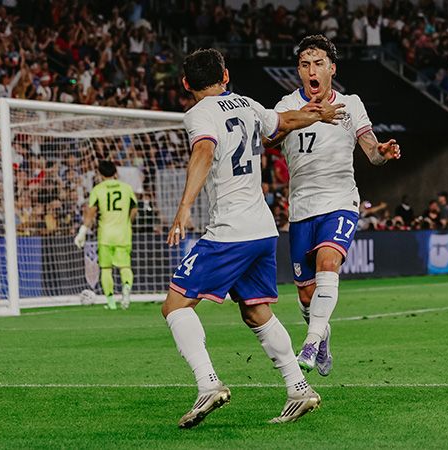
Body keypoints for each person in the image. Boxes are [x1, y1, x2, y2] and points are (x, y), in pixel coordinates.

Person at [162, 48, 345, 429]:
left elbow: (204, 151)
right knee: (256, 311)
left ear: (185, 84)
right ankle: (299, 388)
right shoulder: (247, 104)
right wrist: (319, 113)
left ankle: (207, 384)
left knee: (175, 305)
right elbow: (284, 119)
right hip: (263, 229)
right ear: (225, 76)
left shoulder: (199, 114)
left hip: (230, 232)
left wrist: (183, 207)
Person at [268, 35, 401, 375]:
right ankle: (322, 335)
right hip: (300, 209)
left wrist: (382, 153)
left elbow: (370, 150)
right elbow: (268, 137)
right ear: (299, 71)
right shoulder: (286, 106)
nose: (311, 70)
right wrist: (309, 115)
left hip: (340, 201)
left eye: (318, 64)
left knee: (330, 261)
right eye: (304, 64)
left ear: (331, 69)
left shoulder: (351, 104)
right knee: (306, 298)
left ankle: (310, 343)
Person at [74, 160, 138, 310]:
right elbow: (134, 209)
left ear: (100, 174)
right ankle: (126, 292)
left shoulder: (98, 189)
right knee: (125, 266)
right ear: (115, 172)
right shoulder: (126, 188)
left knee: (106, 269)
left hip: (105, 235)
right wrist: (127, 222)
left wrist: (82, 231)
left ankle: (110, 302)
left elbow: (90, 213)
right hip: (123, 233)